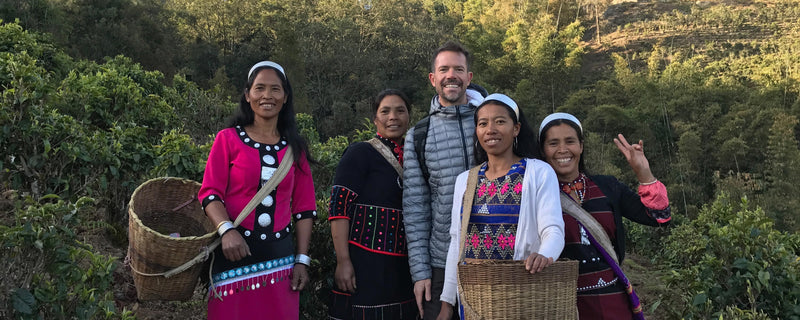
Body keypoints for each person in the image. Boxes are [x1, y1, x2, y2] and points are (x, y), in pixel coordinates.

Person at [198, 61, 317, 319]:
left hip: (280, 263)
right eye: (260, 88)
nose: (267, 95)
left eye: (275, 89)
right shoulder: (227, 139)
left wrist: (302, 260)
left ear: (285, 97)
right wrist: (227, 231)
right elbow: (210, 194)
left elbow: (304, 209)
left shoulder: (295, 149)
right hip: (232, 257)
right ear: (247, 95)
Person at [438, 94, 565, 319]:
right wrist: (447, 302)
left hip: (520, 295)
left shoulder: (538, 172)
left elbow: (553, 229)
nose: (490, 129)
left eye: (499, 121)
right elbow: (457, 242)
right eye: (483, 123)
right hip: (473, 299)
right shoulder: (465, 180)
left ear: (516, 128)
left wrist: (544, 255)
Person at [538, 112, 671, 320]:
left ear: (581, 146)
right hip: (562, 305)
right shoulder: (537, 194)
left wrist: (643, 171)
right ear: (543, 150)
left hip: (613, 302)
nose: (562, 149)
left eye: (570, 141)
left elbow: (659, 217)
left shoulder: (607, 186)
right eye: (553, 143)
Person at [403, 41, 486, 319]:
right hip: (440, 263)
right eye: (444, 69)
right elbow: (415, 209)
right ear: (433, 78)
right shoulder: (419, 135)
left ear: (469, 77)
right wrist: (420, 273)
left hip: (492, 257)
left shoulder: (490, 124)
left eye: (458, 69)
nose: (452, 75)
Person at [327, 89, 418, 319]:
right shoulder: (360, 153)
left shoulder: (415, 158)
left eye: (400, 111)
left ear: (409, 116)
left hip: (404, 270)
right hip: (365, 266)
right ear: (375, 118)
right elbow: (339, 209)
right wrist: (343, 261)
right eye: (385, 111)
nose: (393, 117)